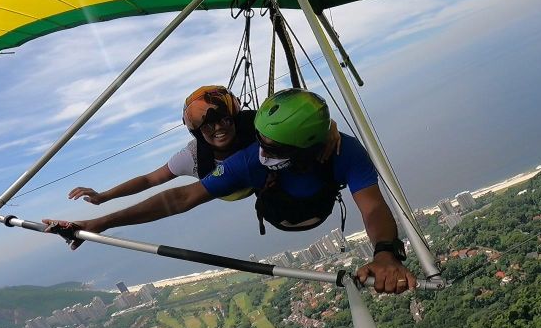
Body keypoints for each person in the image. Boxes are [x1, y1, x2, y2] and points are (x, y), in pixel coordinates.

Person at [44, 89, 417, 294]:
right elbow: (177, 196)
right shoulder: (247, 159)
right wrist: (101, 221)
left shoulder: (342, 150)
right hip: (276, 209)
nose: (262, 150)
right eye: (260, 141)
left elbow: (372, 207)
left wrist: (385, 253)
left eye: (272, 147)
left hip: (315, 199)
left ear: (307, 145)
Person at [67, 85, 340, 205]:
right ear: (198, 132)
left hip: (267, 182)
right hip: (229, 188)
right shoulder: (194, 156)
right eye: (208, 126)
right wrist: (104, 196)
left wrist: (329, 128)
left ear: (234, 118)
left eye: (224, 121)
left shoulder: (256, 124)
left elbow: (296, 119)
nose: (219, 128)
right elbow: (151, 179)